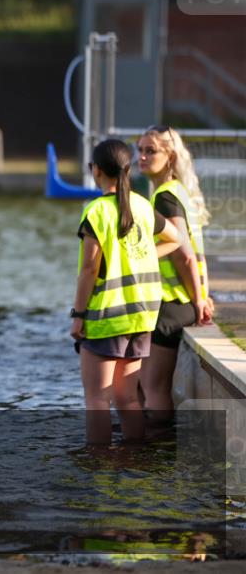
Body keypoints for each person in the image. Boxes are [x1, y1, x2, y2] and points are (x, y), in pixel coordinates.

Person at [70, 139, 195, 446]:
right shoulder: (141, 205)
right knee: (127, 396)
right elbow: (176, 238)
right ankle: (136, 456)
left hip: (106, 316)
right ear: (127, 170)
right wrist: (146, 256)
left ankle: (98, 462)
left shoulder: (96, 211)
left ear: (96, 170)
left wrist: (78, 315)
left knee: (97, 399)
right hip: (141, 316)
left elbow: (89, 269)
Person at [136, 126, 212, 422]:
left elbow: (185, 254)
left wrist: (199, 300)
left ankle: (158, 448)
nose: (142, 156)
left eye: (150, 151)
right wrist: (202, 295)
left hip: (171, 304)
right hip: (180, 300)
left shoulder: (165, 198)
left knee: (152, 388)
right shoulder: (178, 191)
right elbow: (198, 252)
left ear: (170, 156)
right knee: (144, 387)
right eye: (140, 150)